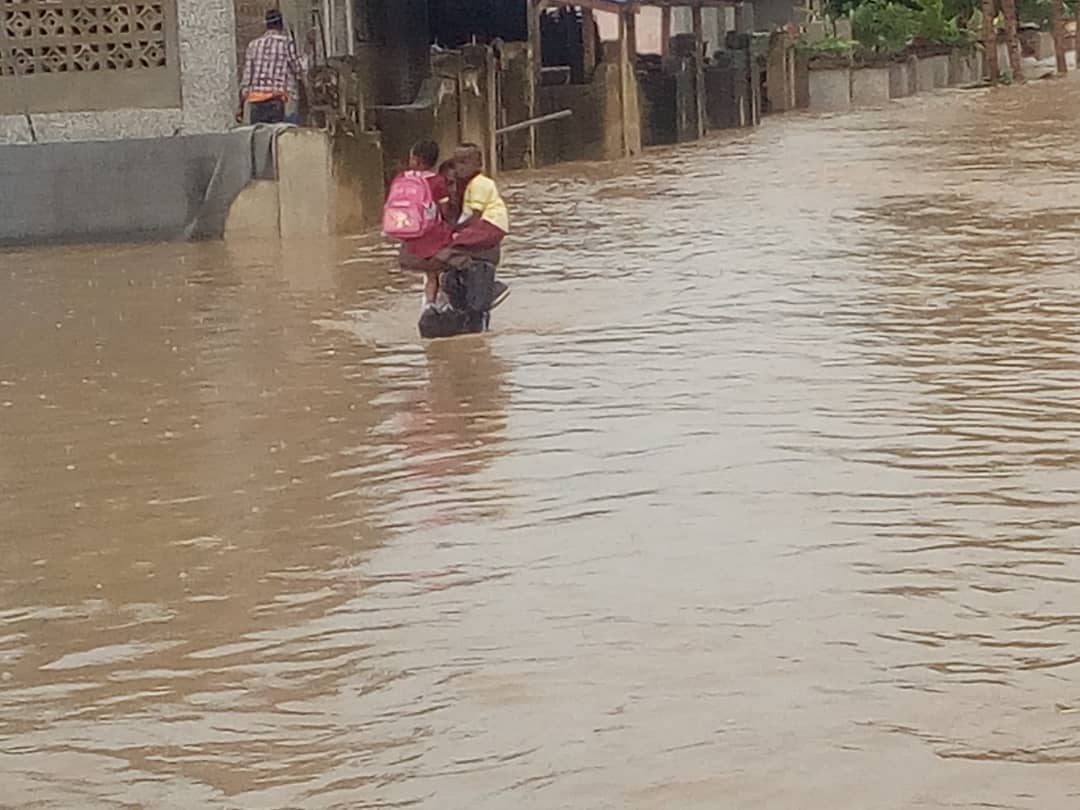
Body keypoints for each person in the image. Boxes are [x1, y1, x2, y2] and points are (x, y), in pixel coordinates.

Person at [437, 142, 511, 308]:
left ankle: (493, 288)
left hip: (490, 224)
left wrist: (455, 233)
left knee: (453, 246)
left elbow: (474, 217)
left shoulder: (479, 184)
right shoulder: (466, 187)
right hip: (485, 226)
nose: (460, 168)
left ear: (479, 165)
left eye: (464, 163)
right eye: (457, 163)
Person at [393, 141, 454, 311]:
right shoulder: (437, 181)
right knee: (437, 272)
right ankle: (440, 304)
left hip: (411, 236)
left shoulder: (402, 178)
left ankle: (427, 306)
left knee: (429, 276)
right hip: (434, 237)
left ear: (416, 160)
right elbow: (445, 210)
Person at [237, 9, 300, 125]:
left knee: (259, 138)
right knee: (275, 137)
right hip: (276, 100)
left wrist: (240, 106)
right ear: (281, 24)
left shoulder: (253, 45)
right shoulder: (286, 44)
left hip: (256, 101)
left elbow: (246, 79)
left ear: (267, 25)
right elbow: (297, 69)